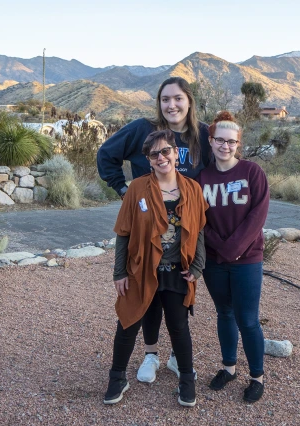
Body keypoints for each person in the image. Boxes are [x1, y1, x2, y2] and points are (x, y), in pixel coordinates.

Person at [97, 77, 210, 383]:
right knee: (147, 295)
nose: (171, 105)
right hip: (146, 226)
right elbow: (105, 155)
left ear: (189, 101)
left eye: (177, 98)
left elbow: (217, 169)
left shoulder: (202, 135)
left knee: (177, 297)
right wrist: (124, 190)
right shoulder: (141, 129)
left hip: (183, 230)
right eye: (164, 99)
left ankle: (175, 358)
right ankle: (150, 355)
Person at [197, 111, 270, 403]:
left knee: (248, 320)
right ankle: (229, 368)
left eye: (231, 141)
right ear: (211, 141)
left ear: (238, 143)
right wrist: (221, 249)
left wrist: (234, 249)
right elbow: (199, 220)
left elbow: (258, 215)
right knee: (224, 313)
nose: (225, 146)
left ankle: (257, 377)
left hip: (247, 259)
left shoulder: (252, 172)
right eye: (219, 140)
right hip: (215, 262)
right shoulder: (202, 178)